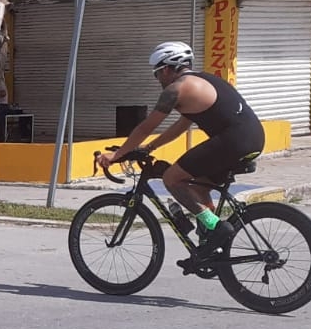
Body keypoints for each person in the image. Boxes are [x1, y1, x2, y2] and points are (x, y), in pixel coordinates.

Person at [96, 41, 266, 257]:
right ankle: (211, 246)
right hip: (254, 138)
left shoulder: (176, 90)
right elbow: (181, 126)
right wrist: (150, 147)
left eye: (157, 74)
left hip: (233, 141)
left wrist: (116, 155)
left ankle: (216, 227)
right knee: (199, 186)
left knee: (172, 179)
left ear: (166, 69)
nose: (157, 79)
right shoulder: (203, 81)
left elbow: (146, 126)